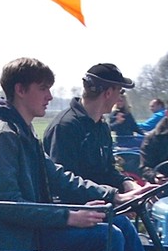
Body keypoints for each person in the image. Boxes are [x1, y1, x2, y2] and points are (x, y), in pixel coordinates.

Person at [0, 57, 152, 251]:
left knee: (119, 223)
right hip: (19, 239)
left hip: (34, 230)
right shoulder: (4, 137)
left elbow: (59, 177)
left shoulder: (24, 133)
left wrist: (113, 196)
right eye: (43, 89)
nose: (49, 96)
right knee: (110, 236)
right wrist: (69, 216)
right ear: (20, 90)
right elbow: (9, 205)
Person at [43, 62, 143, 194]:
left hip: (103, 201)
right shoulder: (65, 127)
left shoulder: (102, 126)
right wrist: (111, 196)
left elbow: (107, 171)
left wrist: (126, 183)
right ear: (108, 93)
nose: (119, 97)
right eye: (120, 91)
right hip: (79, 206)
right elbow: (63, 184)